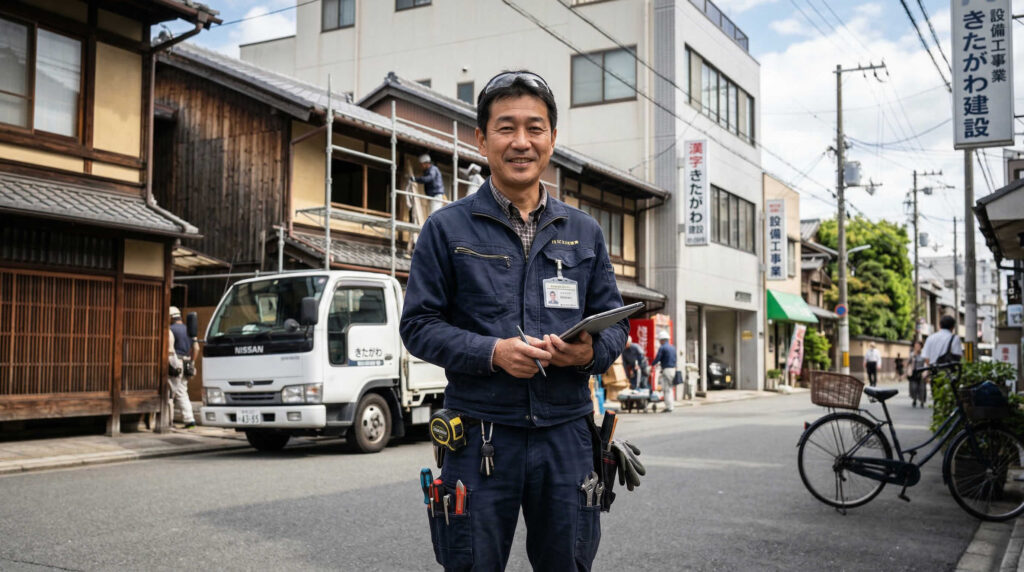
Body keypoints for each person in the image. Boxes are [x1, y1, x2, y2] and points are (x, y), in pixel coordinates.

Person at [400, 70, 634, 571]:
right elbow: (418, 325)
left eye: (536, 128)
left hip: (567, 433)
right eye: (506, 128)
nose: (521, 142)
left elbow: (617, 327)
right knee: (472, 563)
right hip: (480, 434)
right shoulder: (447, 227)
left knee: (568, 563)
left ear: (552, 138)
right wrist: (492, 353)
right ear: (482, 139)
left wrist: (590, 352)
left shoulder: (584, 232)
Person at [921, 315, 963, 405]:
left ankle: (937, 418)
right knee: (949, 402)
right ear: (952, 327)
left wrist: (930, 370)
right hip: (949, 375)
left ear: (939, 325)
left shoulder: (930, 338)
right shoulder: (955, 338)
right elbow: (958, 357)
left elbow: (926, 358)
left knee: (937, 401)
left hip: (934, 374)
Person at [168, 306, 196, 429]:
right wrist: (192, 363)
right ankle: (189, 420)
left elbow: (169, 350)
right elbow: (196, 348)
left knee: (169, 393)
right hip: (187, 362)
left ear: (170, 317)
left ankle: (167, 421)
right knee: (182, 392)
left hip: (175, 362)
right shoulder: (189, 330)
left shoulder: (170, 329)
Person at [651, 332, 676, 413]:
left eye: (660, 340)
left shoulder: (662, 348)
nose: (659, 342)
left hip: (666, 370)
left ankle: (669, 407)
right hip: (673, 369)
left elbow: (658, 358)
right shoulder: (672, 347)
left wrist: (652, 364)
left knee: (666, 389)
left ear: (662, 340)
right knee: (670, 388)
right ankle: (671, 405)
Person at [907, 340, 927, 407]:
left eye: (918, 346)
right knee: (913, 387)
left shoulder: (924, 354)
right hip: (913, 372)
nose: (917, 347)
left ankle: (922, 401)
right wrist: (912, 357)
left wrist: (926, 372)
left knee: (922, 388)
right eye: (916, 346)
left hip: (922, 372)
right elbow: (908, 363)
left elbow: (926, 363)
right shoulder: (912, 354)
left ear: (921, 346)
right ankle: (914, 399)